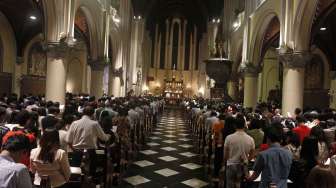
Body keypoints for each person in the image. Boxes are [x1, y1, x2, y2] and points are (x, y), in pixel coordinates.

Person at [246, 122, 293, 188]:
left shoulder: (263, 155)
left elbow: (254, 176)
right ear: (281, 140)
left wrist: (246, 176)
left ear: (268, 139)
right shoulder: (289, 154)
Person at [224, 114, 255, 188]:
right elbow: (252, 155)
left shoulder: (229, 138)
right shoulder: (250, 139)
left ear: (234, 126)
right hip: (243, 165)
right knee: (239, 184)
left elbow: (225, 155)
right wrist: (246, 160)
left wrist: (224, 163)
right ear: (244, 125)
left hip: (231, 164)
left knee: (230, 184)